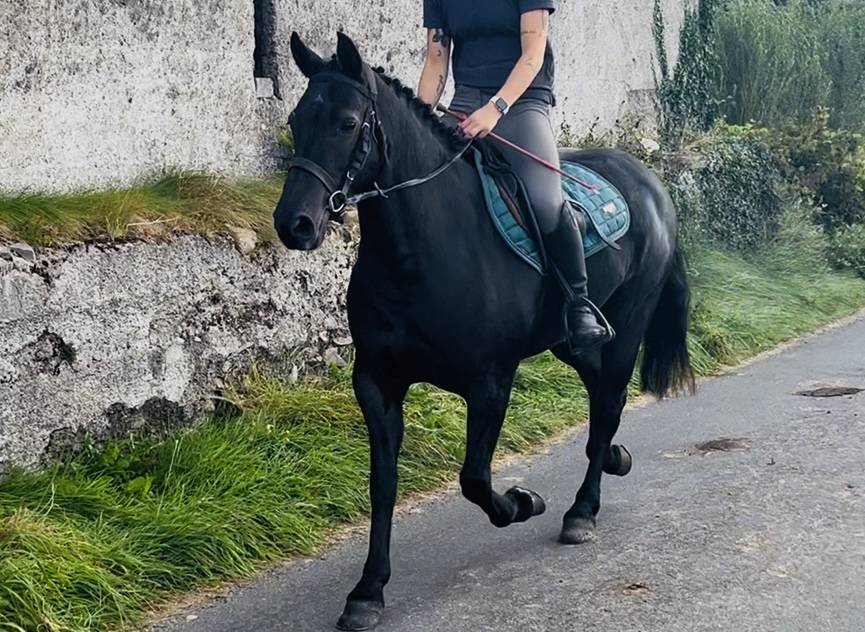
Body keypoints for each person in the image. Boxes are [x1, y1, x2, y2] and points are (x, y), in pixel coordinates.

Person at [417, 0, 609, 351]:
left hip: (521, 102)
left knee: (544, 201)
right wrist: (420, 118)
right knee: (420, 184)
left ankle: (579, 305)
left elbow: (533, 54)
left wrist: (495, 108)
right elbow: (435, 60)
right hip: (465, 103)